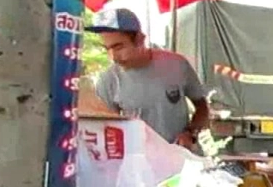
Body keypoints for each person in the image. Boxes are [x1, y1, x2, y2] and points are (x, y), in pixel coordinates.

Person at [88, 8, 209, 148]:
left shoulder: (177, 64)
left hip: (181, 156)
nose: (113, 57)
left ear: (140, 39)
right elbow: (107, 129)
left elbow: (202, 107)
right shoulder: (107, 80)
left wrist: (190, 133)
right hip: (138, 162)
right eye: (107, 49)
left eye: (118, 47)